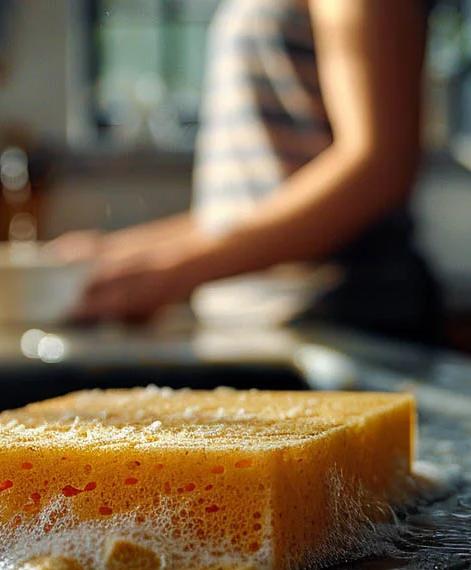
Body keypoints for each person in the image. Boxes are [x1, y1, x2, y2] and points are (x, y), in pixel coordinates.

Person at [55, 0, 444, 345]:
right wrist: (120, 255)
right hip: (266, 327)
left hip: (339, 322)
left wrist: (172, 272)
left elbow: (379, 166)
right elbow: (252, 202)